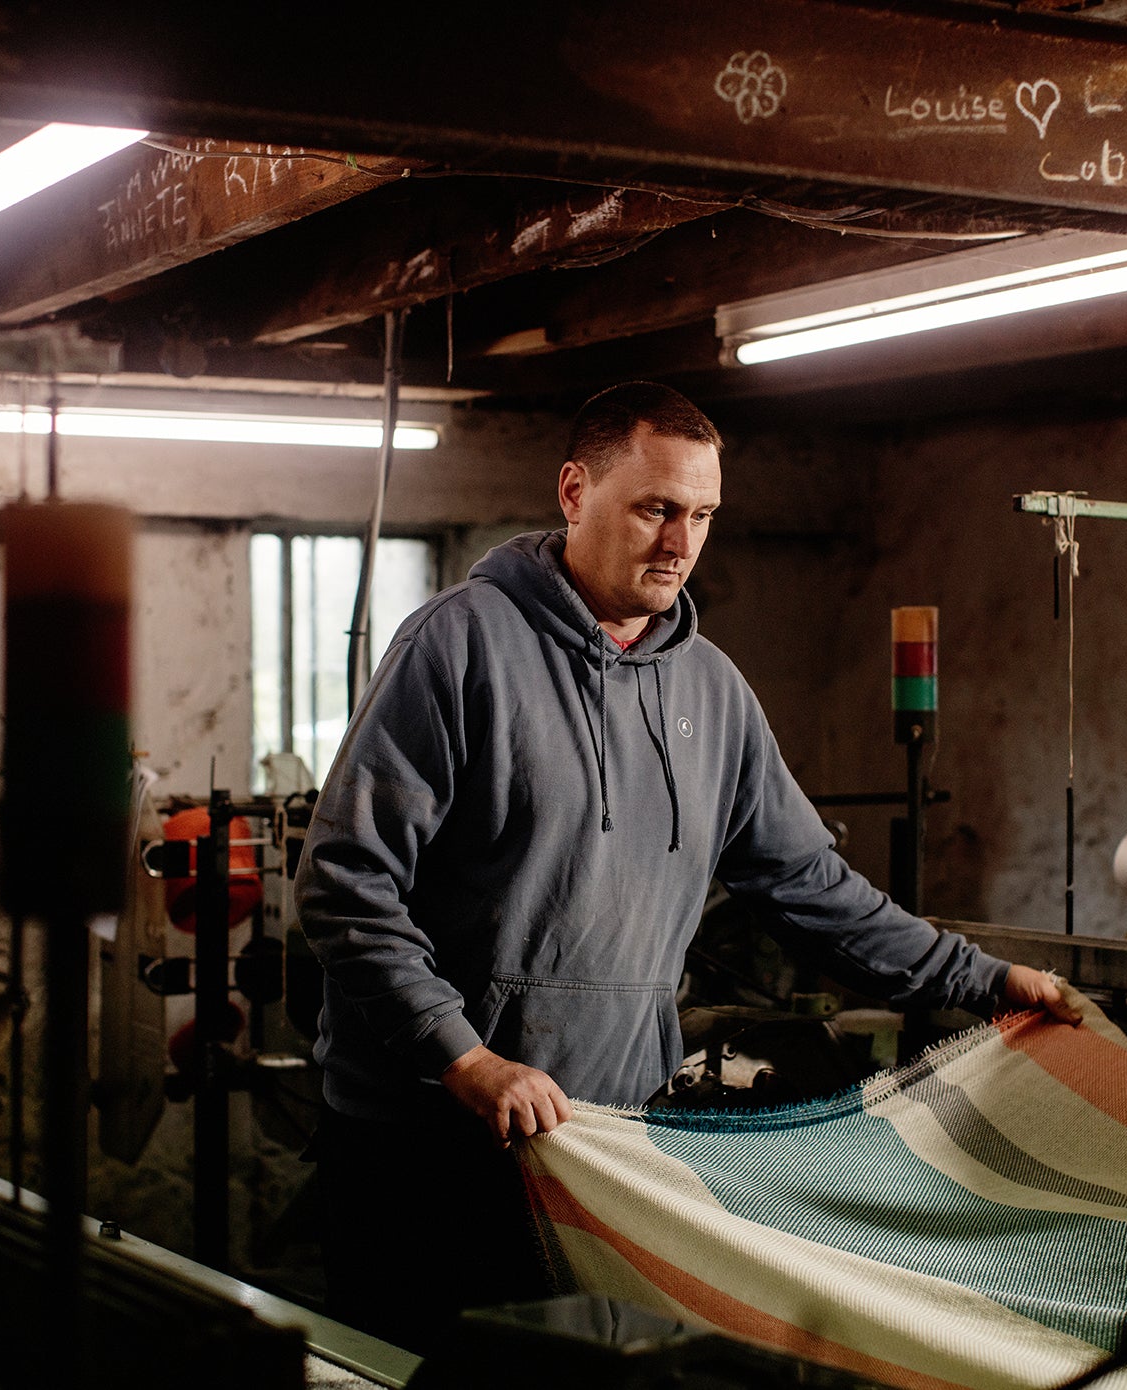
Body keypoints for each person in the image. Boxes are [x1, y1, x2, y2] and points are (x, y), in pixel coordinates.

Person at [293, 381, 1079, 1350]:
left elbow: (815, 891)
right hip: (424, 1150)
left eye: (702, 515)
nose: (681, 542)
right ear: (575, 493)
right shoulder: (458, 648)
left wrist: (990, 979)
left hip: (602, 1149)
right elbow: (343, 885)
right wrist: (469, 1059)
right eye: (656, 507)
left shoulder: (713, 692)